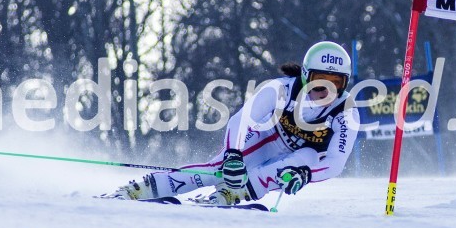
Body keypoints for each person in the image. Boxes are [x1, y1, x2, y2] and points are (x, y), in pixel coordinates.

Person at [104, 41, 361, 206]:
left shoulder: (346, 111)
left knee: (306, 157)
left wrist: (305, 175)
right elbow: (242, 120)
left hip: (298, 158)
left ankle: (233, 194)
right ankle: (143, 187)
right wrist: (234, 155)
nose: (326, 89)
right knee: (219, 168)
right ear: (306, 76)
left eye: (336, 82)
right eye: (319, 79)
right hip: (267, 139)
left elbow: (335, 163)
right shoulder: (278, 89)